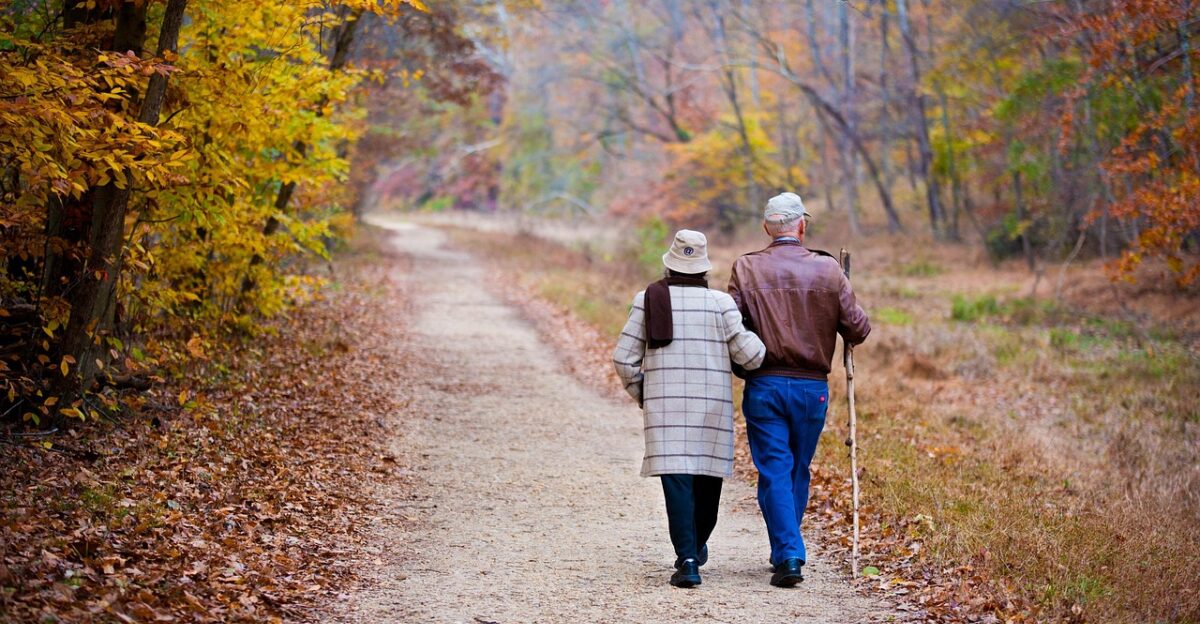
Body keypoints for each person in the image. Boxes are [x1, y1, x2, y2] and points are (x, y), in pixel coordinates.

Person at [727, 192, 871, 588]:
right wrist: (842, 290)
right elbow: (858, 328)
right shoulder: (827, 270)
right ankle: (788, 550)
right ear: (802, 226)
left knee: (775, 468)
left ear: (766, 228)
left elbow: (729, 324)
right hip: (812, 389)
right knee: (795, 468)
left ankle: (787, 551)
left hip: (765, 382)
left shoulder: (746, 267)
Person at [613, 229, 766, 589]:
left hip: (665, 410)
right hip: (711, 408)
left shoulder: (647, 300)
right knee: (706, 482)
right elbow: (752, 356)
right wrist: (757, 333)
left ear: (669, 265)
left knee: (677, 481)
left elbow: (623, 359)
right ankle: (695, 548)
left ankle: (688, 559)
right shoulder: (721, 304)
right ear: (704, 269)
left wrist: (644, 394)